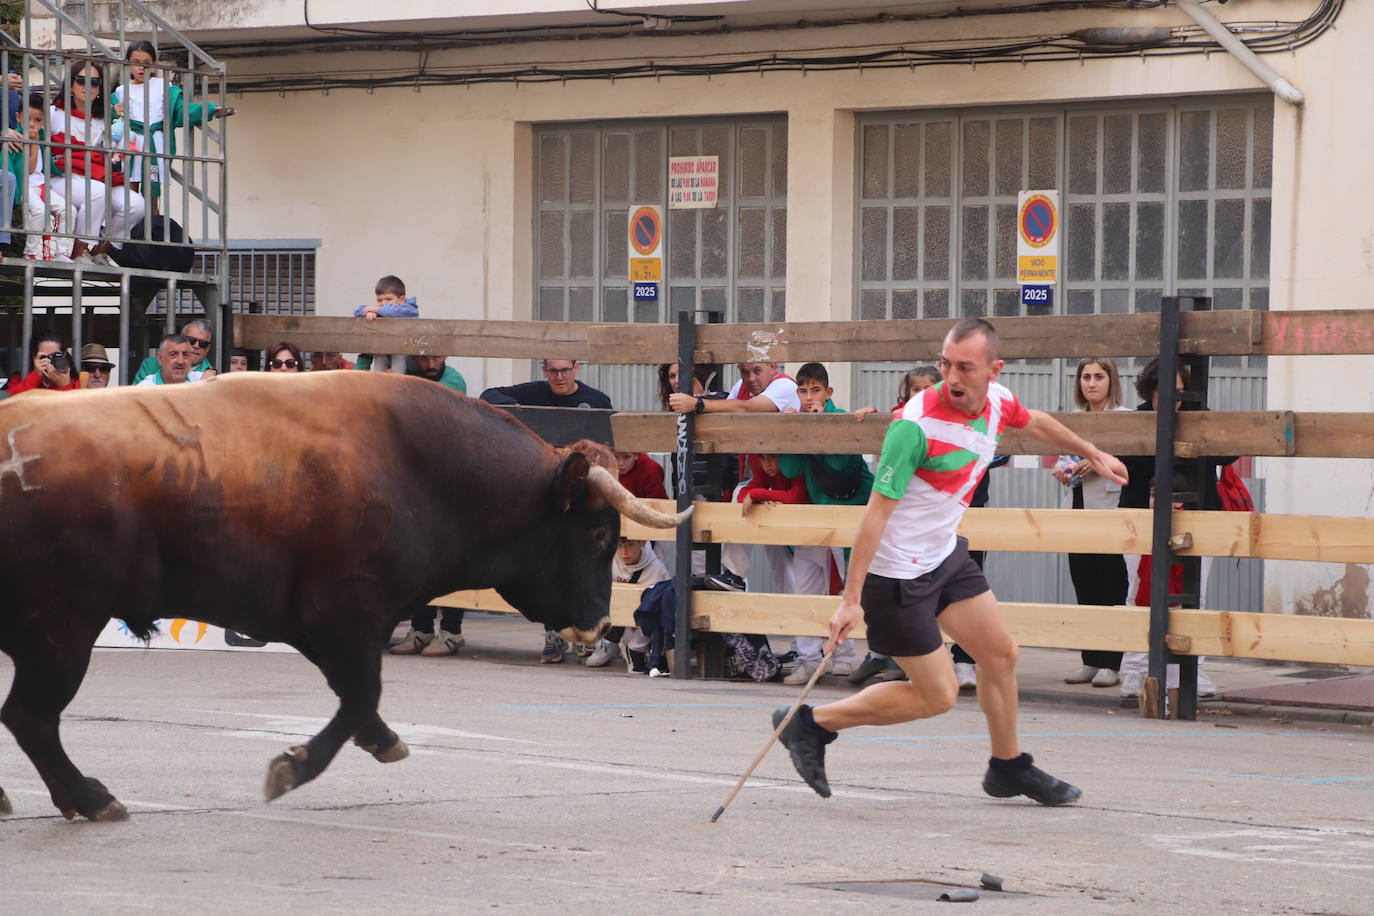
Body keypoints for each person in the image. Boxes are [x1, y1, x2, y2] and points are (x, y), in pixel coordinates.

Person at [772, 318, 1128, 806]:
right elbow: (872, 517)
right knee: (936, 696)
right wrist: (849, 600)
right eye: (945, 364)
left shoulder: (998, 401)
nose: (952, 377)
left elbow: (1036, 420)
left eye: (965, 367)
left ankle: (1008, 766)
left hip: (944, 558)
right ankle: (811, 724)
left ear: (993, 370)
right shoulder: (914, 426)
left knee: (1000, 655)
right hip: (897, 574)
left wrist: (1094, 451)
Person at [1116, 358, 1236, 700]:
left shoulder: (1203, 419)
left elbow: (1229, 454)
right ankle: (1136, 671)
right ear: (1150, 389)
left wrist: (1195, 430)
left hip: (1198, 521)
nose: (1173, 399)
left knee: (1193, 598)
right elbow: (1129, 466)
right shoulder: (1136, 420)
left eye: (1181, 393)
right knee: (1139, 595)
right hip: (1142, 520)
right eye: (1164, 391)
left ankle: (1189, 672)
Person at [776, 362, 873, 684]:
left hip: (853, 514)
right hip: (817, 514)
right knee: (804, 585)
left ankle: (845, 655)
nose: (808, 396)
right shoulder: (801, 419)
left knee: (850, 586)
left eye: (815, 390)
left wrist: (820, 424)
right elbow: (790, 471)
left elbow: (840, 468)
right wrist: (793, 433)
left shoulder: (843, 418)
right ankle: (807, 659)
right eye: (802, 391)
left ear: (828, 392)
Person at [667, 361, 800, 592]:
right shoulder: (742, 387)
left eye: (757, 371)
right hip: (764, 483)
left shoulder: (785, 386)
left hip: (796, 483)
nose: (751, 378)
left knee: (799, 571)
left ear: (773, 366)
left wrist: (697, 403)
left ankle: (735, 577)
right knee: (783, 566)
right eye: (745, 372)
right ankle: (734, 577)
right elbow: (729, 406)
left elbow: (744, 408)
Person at [851, 366, 944, 684]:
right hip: (897, 517)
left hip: (932, 525)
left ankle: (911, 657)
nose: (921, 395)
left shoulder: (951, 424)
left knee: (924, 591)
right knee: (890, 587)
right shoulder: (904, 420)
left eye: (927, 388)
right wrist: (871, 412)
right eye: (915, 390)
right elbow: (894, 415)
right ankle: (882, 653)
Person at [1054, 357, 1132, 689]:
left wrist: (1095, 461)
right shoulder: (1073, 420)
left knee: (1111, 586)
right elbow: (1061, 458)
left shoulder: (1126, 420)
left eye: (1099, 377)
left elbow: (1131, 465)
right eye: (1085, 377)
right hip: (1077, 512)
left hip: (1111, 511)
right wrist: (1063, 470)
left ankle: (1111, 663)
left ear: (1111, 381)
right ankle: (1090, 659)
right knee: (1084, 584)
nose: (1091, 383)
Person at [110, 41, 234, 209]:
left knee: (151, 194)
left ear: (153, 63)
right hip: (131, 144)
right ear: (127, 64)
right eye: (136, 63)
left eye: (146, 63)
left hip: (155, 143)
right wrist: (113, 110)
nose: (141, 68)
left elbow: (182, 109)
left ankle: (152, 231)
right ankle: (131, 231)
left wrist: (210, 109)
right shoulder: (120, 91)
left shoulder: (164, 87)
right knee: (130, 192)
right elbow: (110, 117)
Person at [48, 60, 146, 264]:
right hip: (61, 179)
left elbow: (113, 151)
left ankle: (100, 251)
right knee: (97, 191)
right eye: (81, 80)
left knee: (136, 204)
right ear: (71, 85)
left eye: (94, 82)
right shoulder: (53, 114)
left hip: (97, 178)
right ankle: (78, 250)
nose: (88, 87)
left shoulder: (104, 118)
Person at [583, 536, 672, 670]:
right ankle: (607, 643)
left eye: (630, 545)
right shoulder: (610, 561)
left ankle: (635, 650)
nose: (624, 552)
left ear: (642, 542)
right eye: (619, 546)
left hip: (640, 623)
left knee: (649, 612)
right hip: (615, 616)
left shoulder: (656, 569)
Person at [14, 93, 73, 262]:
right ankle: (30, 251)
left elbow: (47, 166)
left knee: (68, 210)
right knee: (40, 210)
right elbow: (30, 169)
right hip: (25, 186)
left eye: (37, 120)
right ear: (18, 118)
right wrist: (33, 144)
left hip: (40, 186)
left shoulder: (42, 138)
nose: (32, 124)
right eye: (28, 119)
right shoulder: (17, 138)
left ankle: (61, 253)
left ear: (44, 121)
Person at [480, 358, 613, 409]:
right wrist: (516, 407)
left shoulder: (598, 400)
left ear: (576, 369)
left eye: (565, 370)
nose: (559, 377)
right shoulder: (533, 391)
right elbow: (489, 395)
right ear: (544, 370)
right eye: (553, 371)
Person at [353, 275, 418, 374]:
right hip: (384, 352)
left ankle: (396, 380)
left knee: (397, 354)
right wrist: (367, 312)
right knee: (379, 353)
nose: (383, 303)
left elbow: (393, 312)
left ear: (401, 300)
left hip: (407, 356)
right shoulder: (382, 310)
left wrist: (376, 309)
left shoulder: (409, 310)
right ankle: (381, 379)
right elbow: (356, 311)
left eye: (388, 299)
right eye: (379, 300)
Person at [132, 318, 214, 383]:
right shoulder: (150, 365)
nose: (196, 346)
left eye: (203, 343)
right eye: (191, 340)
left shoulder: (210, 375)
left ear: (208, 349)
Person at [7, 332, 81, 394]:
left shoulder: (75, 381)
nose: (50, 361)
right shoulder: (20, 378)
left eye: (55, 356)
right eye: (44, 357)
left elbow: (78, 408)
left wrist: (65, 386)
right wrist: (35, 376)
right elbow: (10, 404)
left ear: (64, 354)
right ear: (34, 356)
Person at [135, 334, 203, 385]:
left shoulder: (197, 379)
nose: (180, 361)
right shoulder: (146, 389)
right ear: (160, 358)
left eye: (185, 354)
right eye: (173, 354)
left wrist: (211, 371)